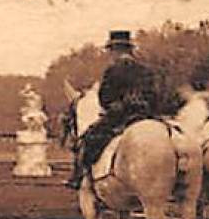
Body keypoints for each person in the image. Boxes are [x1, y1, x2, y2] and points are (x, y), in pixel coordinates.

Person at [67, 30, 158, 188]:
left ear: (115, 50)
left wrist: (111, 108)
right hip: (146, 115)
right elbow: (155, 95)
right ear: (129, 49)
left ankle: (81, 178)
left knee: (89, 139)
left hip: (122, 116)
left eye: (111, 51)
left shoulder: (113, 70)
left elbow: (105, 97)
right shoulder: (145, 70)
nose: (111, 55)